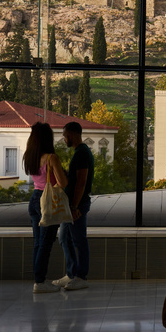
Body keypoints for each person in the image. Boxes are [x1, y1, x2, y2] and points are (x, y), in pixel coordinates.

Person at [23, 122, 68, 293]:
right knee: (45, 243)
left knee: (38, 243)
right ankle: (40, 282)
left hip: (34, 199)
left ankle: (38, 280)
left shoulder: (30, 156)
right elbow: (63, 182)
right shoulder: (51, 158)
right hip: (48, 201)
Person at [55, 121, 94, 291]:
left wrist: (74, 206)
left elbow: (82, 182)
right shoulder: (79, 153)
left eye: (65, 135)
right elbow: (75, 179)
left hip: (76, 205)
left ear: (71, 134)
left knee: (79, 239)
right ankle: (71, 274)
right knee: (64, 237)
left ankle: (81, 276)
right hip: (71, 205)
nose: (64, 139)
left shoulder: (82, 153)